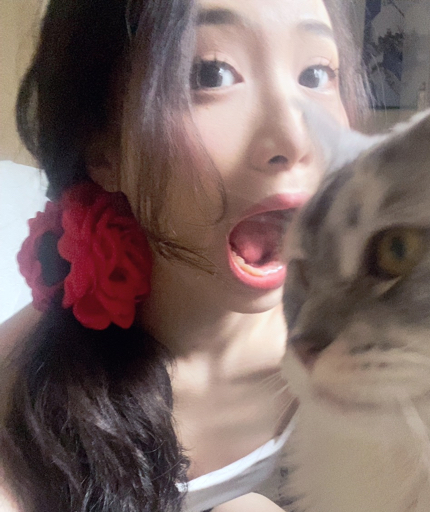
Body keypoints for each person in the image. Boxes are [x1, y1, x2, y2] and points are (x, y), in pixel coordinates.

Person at [0, 0, 366, 510]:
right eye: (211, 74)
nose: (295, 135)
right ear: (104, 149)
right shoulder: (26, 384)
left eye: (316, 74)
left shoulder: (397, 364)